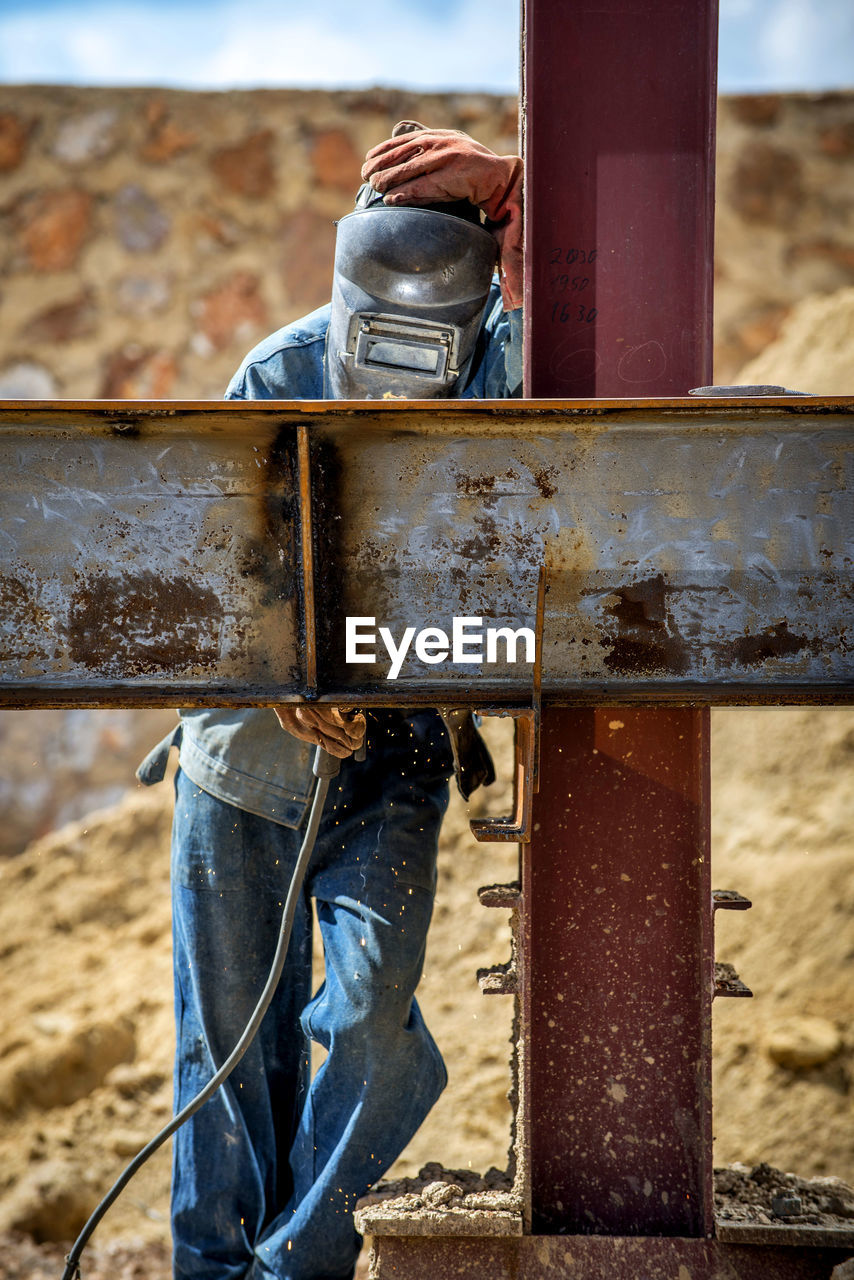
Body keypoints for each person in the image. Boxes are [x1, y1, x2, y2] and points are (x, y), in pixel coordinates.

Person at [138, 121, 523, 1280]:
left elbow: (606, 295)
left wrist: (517, 180)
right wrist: (278, 671)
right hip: (246, 752)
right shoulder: (276, 373)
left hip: (394, 754)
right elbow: (202, 569)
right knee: (230, 1050)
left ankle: (291, 1266)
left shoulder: (510, 364)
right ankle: (213, 1273)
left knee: (366, 1018)